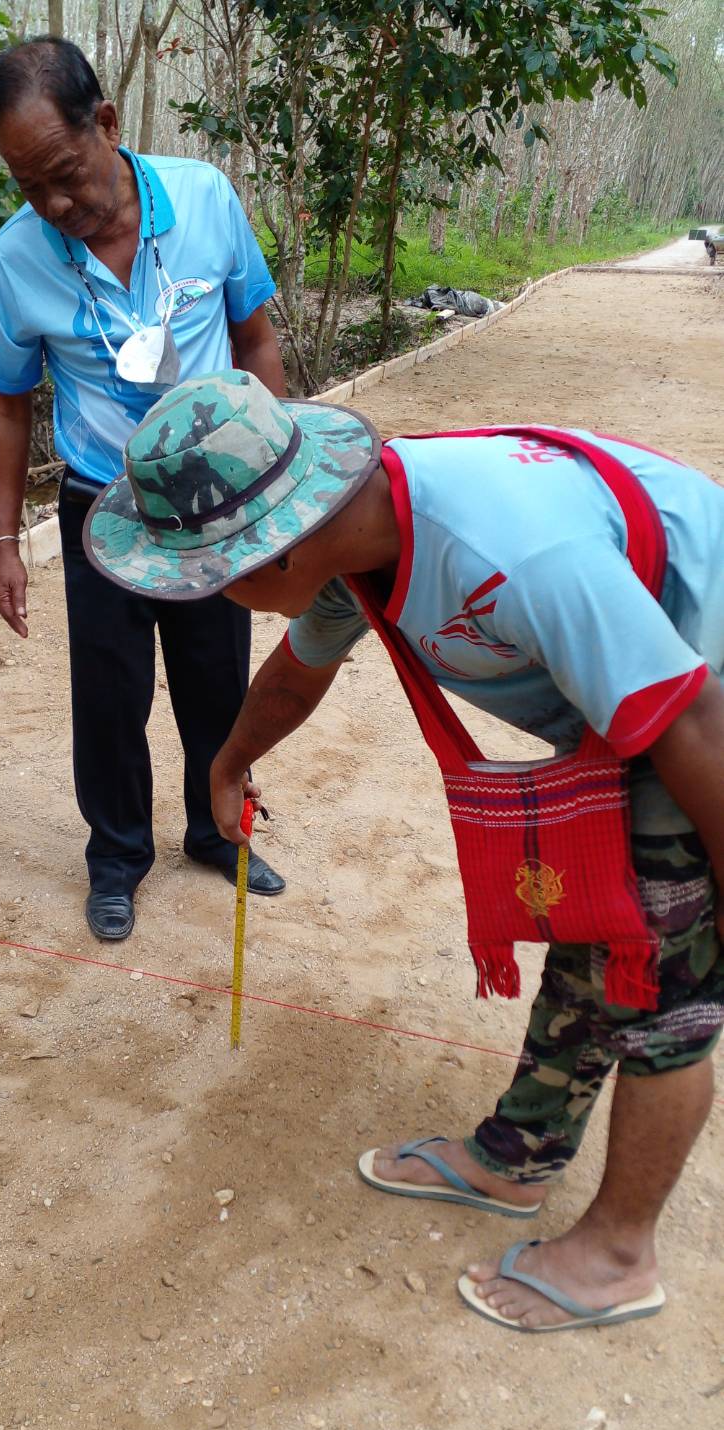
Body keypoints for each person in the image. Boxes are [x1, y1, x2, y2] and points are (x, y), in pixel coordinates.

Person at [84, 367, 724, 1333]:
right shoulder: (359, 541)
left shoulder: (517, 556)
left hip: (706, 702)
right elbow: (300, 670)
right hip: (655, 701)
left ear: (275, 555)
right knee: (601, 931)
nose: (211, 600)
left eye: (210, 582)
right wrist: (228, 763)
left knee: (664, 983)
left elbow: (700, 729)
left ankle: (621, 1253)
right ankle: (516, 1159)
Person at [0, 36, 286, 943]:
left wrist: (274, 475)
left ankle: (217, 830)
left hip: (213, 497)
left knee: (217, 676)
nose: (56, 204)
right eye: (30, 187)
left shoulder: (203, 199)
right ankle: (115, 858)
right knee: (110, 693)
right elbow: (5, 403)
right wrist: (4, 545)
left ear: (106, 122)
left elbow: (255, 339)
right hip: (103, 505)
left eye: (66, 173)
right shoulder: (17, 259)